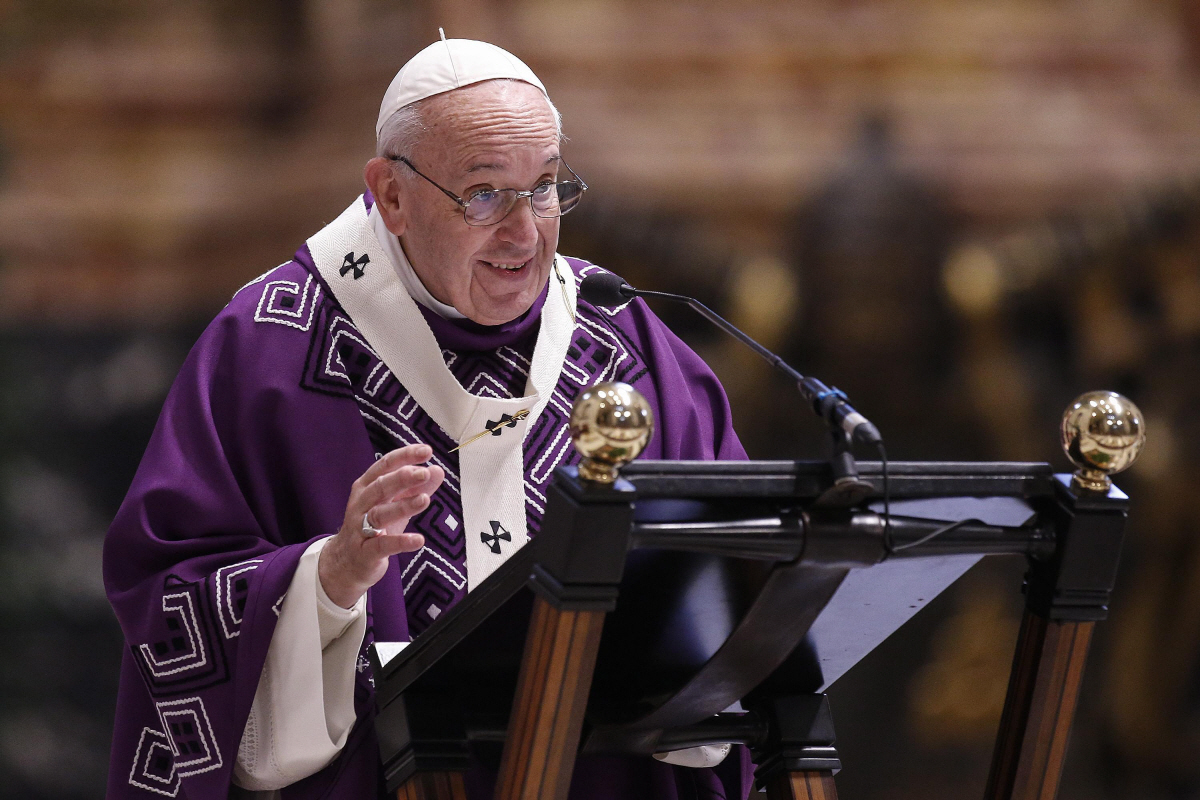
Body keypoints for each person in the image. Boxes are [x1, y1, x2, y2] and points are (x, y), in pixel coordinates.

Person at [104, 35, 750, 800]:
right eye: (483, 193)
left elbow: (735, 566)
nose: (524, 232)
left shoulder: (625, 338)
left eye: (544, 188)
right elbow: (172, 592)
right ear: (392, 195)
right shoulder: (273, 342)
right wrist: (326, 581)